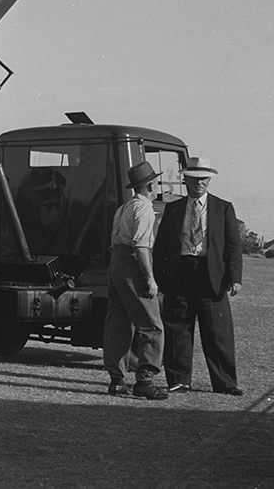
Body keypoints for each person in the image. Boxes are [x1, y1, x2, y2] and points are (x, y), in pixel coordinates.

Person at [153, 156, 244, 396]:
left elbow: (234, 247)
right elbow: (161, 246)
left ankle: (225, 383)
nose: (199, 184)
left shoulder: (223, 208)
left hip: (211, 275)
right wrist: (158, 279)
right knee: (177, 329)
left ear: (209, 181)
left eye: (203, 179)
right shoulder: (173, 209)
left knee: (218, 332)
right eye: (194, 179)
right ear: (186, 180)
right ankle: (179, 380)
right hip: (179, 272)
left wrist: (235, 278)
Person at [103, 161, 169, 400]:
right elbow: (141, 246)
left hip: (116, 263)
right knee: (152, 324)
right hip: (132, 263)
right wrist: (149, 278)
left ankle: (116, 380)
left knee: (119, 322)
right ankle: (145, 380)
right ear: (151, 184)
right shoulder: (144, 209)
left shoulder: (124, 208)